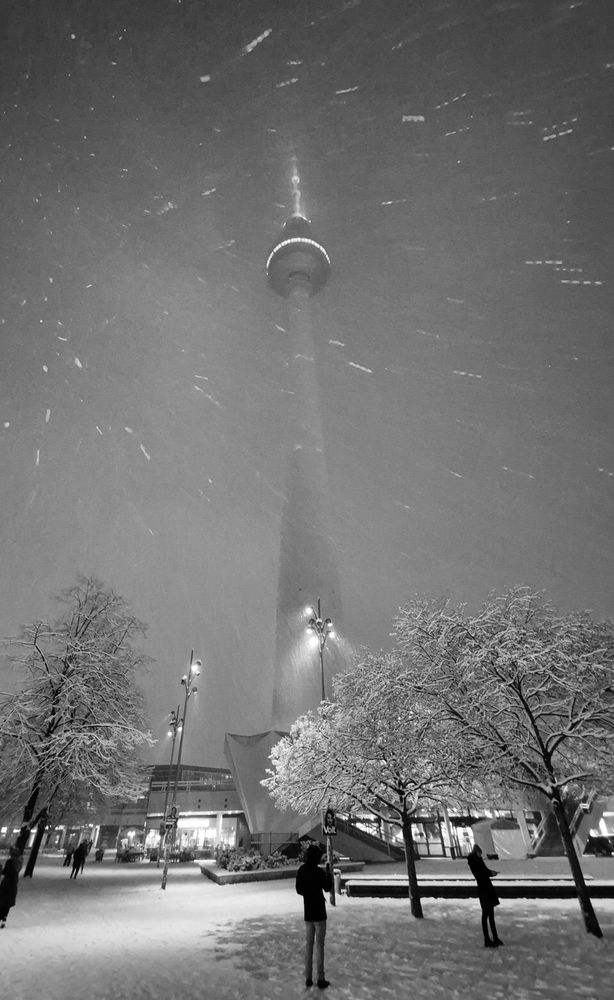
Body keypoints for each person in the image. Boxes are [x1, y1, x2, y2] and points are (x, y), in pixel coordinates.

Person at [296, 843, 333, 989]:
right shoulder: (318, 872)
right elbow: (327, 887)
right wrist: (328, 875)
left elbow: (299, 889)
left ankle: (308, 977)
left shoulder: (302, 870)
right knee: (320, 946)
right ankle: (321, 977)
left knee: (309, 945)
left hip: (308, 911)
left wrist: (308, 893)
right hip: (319, 911)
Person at [467, 843, 503, 947]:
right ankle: (489, 939)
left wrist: (491, 872)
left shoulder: (475, 861)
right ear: (477, 852)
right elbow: (483, 872)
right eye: (480, 853)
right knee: (488, 915)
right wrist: (491, 873)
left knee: (488, 915)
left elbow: (484, 871)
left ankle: (492, 938)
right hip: (485, 889)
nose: (481, 855)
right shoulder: (476, 862)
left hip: (485, 889)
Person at [0, 847, 22, 928]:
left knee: (1, 901)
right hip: (14, 886)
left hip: (6, 885)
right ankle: (3, 921)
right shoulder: (19, 863)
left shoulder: (10, 862)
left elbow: (6, 872)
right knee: (7, 904)